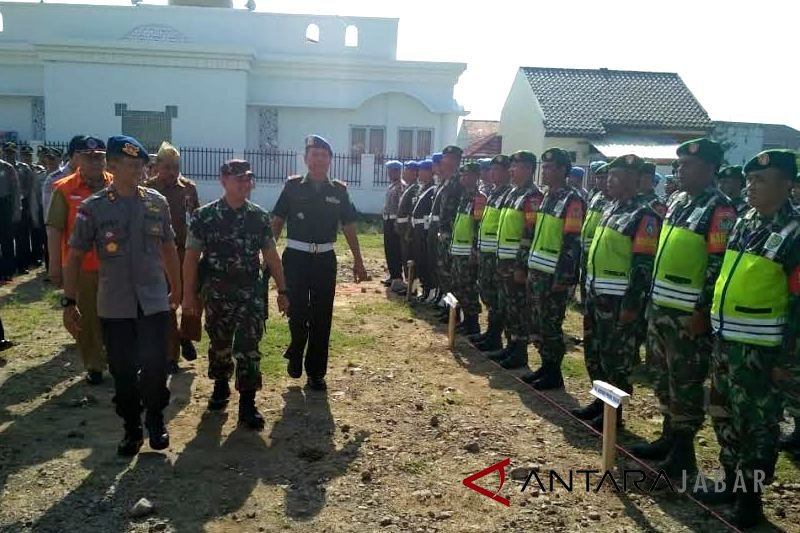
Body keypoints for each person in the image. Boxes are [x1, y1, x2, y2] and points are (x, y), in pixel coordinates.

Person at [62, 135, 181, 456]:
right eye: (130, 165)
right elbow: (74, 256)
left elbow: (169, 247)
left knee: (156, 366)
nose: (138, 171)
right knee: (123, 370)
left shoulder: (157, 202)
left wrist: (178, 287)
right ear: (113, 166)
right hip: (115, 305)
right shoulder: (94, 208)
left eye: (140, 165)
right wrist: (69, 300)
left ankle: (155, 420)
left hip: (154, 300)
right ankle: (131, 428)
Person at [702, 150, 800, 527]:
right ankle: (730, 480)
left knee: (758, 425)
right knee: (722, 413)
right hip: (726, 342)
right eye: (751, 180)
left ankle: (750, 497)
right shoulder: (744, 222)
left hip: (763, 352)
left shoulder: (795, 233)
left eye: (762, 180)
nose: (752, 187)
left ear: (787, 184)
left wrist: (787, 365)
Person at [632, 138, 737, 477]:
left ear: (709, 169)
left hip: (686, 314)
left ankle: (683, 452)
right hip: (661, 306)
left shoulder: (719, 209)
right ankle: (668, 437)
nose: (681, 170)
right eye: (679, 164)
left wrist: (702, 311)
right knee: (662, 377)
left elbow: (716, 264)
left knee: (686, 382)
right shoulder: (678, 201)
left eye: (688, 165)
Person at [182, 159, 288, 429]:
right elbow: (191, 258)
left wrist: (283, 290)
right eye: (239, 179)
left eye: (248, 179)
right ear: (223, 180)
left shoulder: (259, 217)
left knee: (249, 347)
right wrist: (188, 296)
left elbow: (272, 257)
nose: (245, 184)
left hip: (249, 291)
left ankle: (248, 403)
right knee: (219, 343)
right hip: (216, 292)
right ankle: (220, 385)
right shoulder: (204, 217)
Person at [271, 135, 368, 391]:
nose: (319, 159)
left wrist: (358, 260)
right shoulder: (292, 187)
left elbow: (349, 225)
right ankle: (295, 348)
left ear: (330, 160)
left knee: (322, 315)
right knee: (298, 311)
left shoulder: (339, 190)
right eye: (314, 154)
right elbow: (278, 221)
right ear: (306, 159)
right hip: (296, 258)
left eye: (324, 155)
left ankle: (316, 373)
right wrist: (267, 257)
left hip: (325, 259)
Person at [571, 155, 661, 428]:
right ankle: (600, 401)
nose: (610, 181)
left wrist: (632, 307)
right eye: (610, 176)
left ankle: (614, 415)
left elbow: (642, 268)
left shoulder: (644, 215)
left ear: (635, 180)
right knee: (595, 352)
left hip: (620, 300)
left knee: (617, 358)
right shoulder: (611, 208)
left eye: (618, 176)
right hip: (596, 293)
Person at [47, 136, 111, 385]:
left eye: (99, 157)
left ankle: (115, 360)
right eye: (88, 157)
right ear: (77, 159)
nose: (95, 162)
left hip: (113, 266)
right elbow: (54, 230)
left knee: (115, 316)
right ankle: (94, 365)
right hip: (80, 267)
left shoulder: (116, 187)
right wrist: (54, 267)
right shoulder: (63, 189)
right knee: (86, 318)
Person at [522, 148, 585, 389]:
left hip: (554, 275)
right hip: (538, 269)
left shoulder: (572, 199)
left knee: (550, 324)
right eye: (544, 167)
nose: (545, 172)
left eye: (549, 168)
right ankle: (545, 366)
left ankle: (553, 372)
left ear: (562, 170)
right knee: (538, 322)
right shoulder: (549, 196)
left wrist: (565, 276)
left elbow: (572, 241)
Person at [144, 142, 201, 372]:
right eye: (166, 167)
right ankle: (170, 355)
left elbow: (196, 219)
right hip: (157, 254)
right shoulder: (146, 189)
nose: (171, 172)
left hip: (184, 251)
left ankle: (184, 336)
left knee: (190, 297)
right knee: (167, 302)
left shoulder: (188, 188)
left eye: (175, 167)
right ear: (157, 166)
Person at [486, 151, 543, 365]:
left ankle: (519, 352)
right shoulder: (513, 194)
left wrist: (521, 265)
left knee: (518, 308)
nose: (511, 171)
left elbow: (529, 233)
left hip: (515, 264)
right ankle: (510, 346)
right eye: (511, 167)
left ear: (528, 170)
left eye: (515, 167)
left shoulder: (532, 196)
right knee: (507, 305)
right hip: (504, 261)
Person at [470, 154, 512, 351]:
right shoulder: (494, 193)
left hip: (498, 255)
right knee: (487, 293)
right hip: (487, 253)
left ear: (507, 172)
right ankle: (491, 333)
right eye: (490, 170)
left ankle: (495, 336)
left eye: (497, 170)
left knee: (498, 297)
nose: (492, 173)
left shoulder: (508, 195)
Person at [450, 162, 485, 335]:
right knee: (459, 286)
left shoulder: (478, 198)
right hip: (458, 250)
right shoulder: (463, 197)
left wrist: (474, 251)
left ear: (476, 177)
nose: (463, 178)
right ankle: (464, 320)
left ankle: (472, 323)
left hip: (468, 252)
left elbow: (478, 226)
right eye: (462, 175)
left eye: (467, 175)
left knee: (469, 287)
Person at [433, 146, 464, 323]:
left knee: (453, 277)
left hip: (453, 236)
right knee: (444, 275)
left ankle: (455, 313)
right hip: (443, 234)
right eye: (445, 158)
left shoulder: (460, 182)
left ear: (457, 160)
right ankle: (447, 308)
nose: (445, 161)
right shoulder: (447, 181)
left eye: (449, 158)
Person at [3, 142, 34, 274]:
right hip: (6, 205)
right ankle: (7, 267)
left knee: (22, 237)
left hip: (21, 203)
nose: (9, 154)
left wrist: (20, 204)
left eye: (12, 152)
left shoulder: (23, 168)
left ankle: (22, 264)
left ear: (15, 152)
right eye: (7, 152)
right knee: (6, 238)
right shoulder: (4, 167)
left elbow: (29, 186)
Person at [410, 159, 436, 302]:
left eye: (422, 170)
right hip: (417, 229)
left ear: (429, 172)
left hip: (424, 229)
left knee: (425, 261)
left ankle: (429, 290)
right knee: (419, 260)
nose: (419, 173)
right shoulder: (422, 188)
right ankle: (425, 289)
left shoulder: (432, 188)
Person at [394, 160, 419, 295]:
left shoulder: (415, 189)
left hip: (408, 231)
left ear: (414, 173)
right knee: (405, 259)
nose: (404, 173)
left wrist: (408, 231)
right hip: (403, 231)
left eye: (407, 170)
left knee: (409, 259)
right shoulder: (409, 187)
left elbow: (411, 212)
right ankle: (409, 286)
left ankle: (412, 289)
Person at [381, 160, 404, 290]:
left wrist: (397, 224)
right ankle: (392, 275)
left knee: (395, 250)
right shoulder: (391, 186)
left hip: (395, 222)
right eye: (389, 171)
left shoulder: (401, 186)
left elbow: (401, 207)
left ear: (398, 171)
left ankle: (397, 277)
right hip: (387, 221)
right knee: (389, 249)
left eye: (392, 171)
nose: (390, 174)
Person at [0, 150, 20, 283]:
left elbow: (15, 190)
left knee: (6, 240)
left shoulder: (7, 168)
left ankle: (7, 272)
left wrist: (16, 209)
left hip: (4, 205)